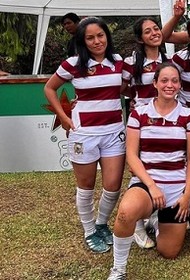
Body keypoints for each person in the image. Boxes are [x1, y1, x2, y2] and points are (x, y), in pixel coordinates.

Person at [108, 63, 190, 279]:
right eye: (164, 80)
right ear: (155, 83)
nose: (170, 85)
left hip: (177, 186)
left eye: (175, 81)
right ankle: (118, 269)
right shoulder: (139, 113)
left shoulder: (188, 116)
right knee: (124, 214)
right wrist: (152, 186)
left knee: (169, 252)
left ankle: (157, 221)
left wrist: (187, 195)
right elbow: (131, 155)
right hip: (148, 183)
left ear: (180, 84)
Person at [44, 17, 125, 253]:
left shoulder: (118, 62)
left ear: (107, 37)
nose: (97, 41)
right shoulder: (73, 63)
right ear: (83, 40)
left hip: (113, 132)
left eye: (100, 35)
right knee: (87, 185)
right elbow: (49, 88)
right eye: (90, 37)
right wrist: (66, 118)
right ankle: (89, 230)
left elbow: (125, 86)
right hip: (84, 134)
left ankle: (101, 224)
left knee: (113, 186)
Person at [122, 17, 169, 250]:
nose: (154, 33)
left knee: (162, 166)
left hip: (167, 122)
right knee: (140, 167)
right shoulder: (132, 61)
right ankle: (137, 225)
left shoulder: (167, 59)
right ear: (140, 38)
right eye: (148, 31)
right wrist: (136, 102)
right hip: (142, 123)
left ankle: (155, 217)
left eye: (156, 29)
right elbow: (121, 88)